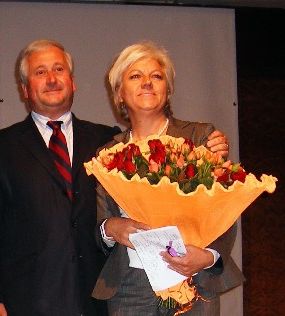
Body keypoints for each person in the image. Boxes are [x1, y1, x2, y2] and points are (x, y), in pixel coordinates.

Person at [0, 39, 228, 316]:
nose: (52, 79)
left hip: (99, 299)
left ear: (73, 81)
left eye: (59, 69)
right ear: (24, 88)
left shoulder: (104, 141)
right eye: (40, 72)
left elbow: (222, 205)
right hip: (31, 299)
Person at [92, 41, 245, 316]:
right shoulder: (107, 154)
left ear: (168, 89)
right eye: (135, 76)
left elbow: (225, 209)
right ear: (119, 94)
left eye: (157, 76)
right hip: (129, 287)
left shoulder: (201, 138)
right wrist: (111, 228)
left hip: (194, 276)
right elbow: (102, 221)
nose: (147, 82)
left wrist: (208, 257)